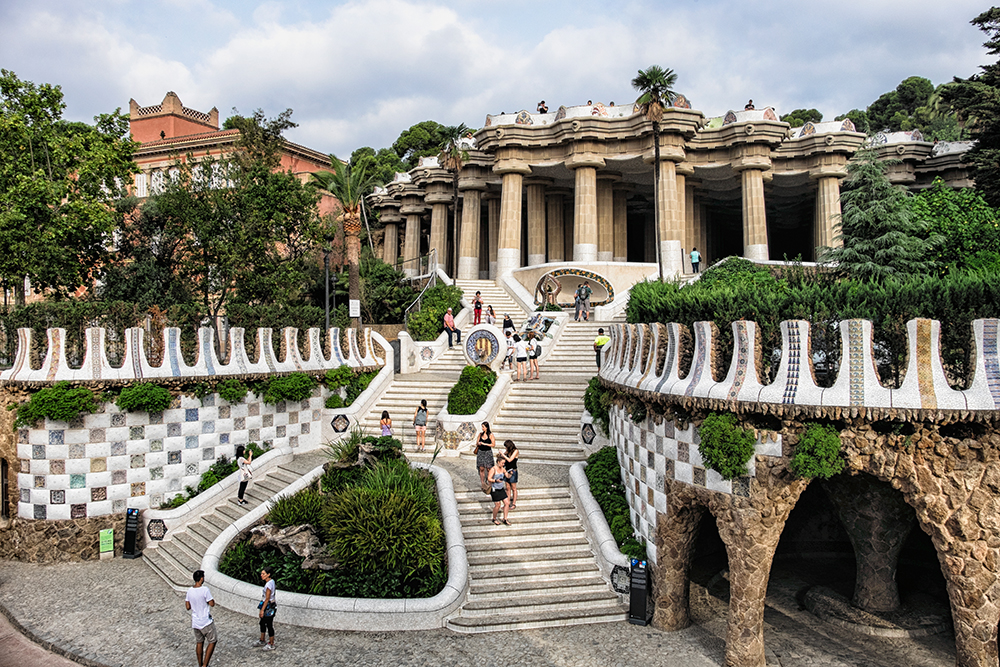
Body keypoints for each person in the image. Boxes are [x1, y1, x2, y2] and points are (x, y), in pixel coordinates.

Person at [185, 570, 217, 667]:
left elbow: (187, 606)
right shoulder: (205, 590)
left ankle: (200, 664)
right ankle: (205, 665)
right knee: (212, 641)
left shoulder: (189, 591)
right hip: (205, 621)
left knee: (199, 642)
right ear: (201, 578)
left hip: (195, 622)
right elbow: (212, 603)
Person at [257, 566, 276, 650]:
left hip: (268, 607)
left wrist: (262, 610)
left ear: (268, 574)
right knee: (262, 622)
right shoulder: (272, 582)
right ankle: (262, 639)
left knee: (268, 624)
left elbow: (267, 598)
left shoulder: (268, 585)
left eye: (263, 574)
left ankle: (271, 643)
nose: (261, 575)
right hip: (270, 605)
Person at [488, 456, 511, 525]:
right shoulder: (493, 469)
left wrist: (510, 473)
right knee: (497, 505)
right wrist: (495, 480)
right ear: (498, 462)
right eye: (502, 463)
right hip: (495, 489)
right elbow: (489, 478)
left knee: (507, 503)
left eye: (504, 463)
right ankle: (494, 518)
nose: (503, 464)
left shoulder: (503, 469)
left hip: (501, 488)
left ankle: (505, 518)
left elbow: (507, 476)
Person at [501, 439, 519, 510]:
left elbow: (510, 460)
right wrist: (502, 454)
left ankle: (513, 503)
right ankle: (507, 503)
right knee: (508, 488)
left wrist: (503, 455)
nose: (505, 448)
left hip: (513, 471)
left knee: (513, 488)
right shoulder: (508, 451)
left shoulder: (515, 451)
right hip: (506, 470)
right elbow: (504, 457)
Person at [477, 422, 496, 489]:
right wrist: (479, 444)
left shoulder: (490, 435)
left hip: (487, 452)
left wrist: (485, 444)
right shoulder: (480, 434)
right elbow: (477, 442)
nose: (482, 428)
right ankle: (483, 483)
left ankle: (489, 482)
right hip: (481, 452)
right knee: (481, 468)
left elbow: (493, 444)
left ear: (486, 427)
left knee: (489, 468)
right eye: (482, 427)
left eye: (483, 427)